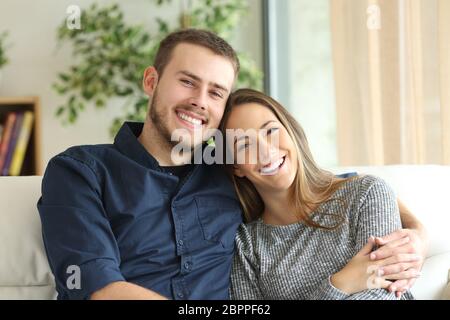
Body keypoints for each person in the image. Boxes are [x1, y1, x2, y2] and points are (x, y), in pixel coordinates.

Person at [37, 29, 426, 300]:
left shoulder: (231, 169)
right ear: (152, 81)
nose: (199, 101)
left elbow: (328, 184)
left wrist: (418, 233)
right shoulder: (81, 171)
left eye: (216, 92)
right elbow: (99, 288)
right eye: (187, 82)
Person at [220, 89, 422, 299]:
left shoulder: (366, 194)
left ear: (290, 131)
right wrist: (340, 283)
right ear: (236, 167)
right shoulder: (246, 247)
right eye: (245, 145)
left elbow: (384, 294)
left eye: (270, 131)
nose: (265, 150)